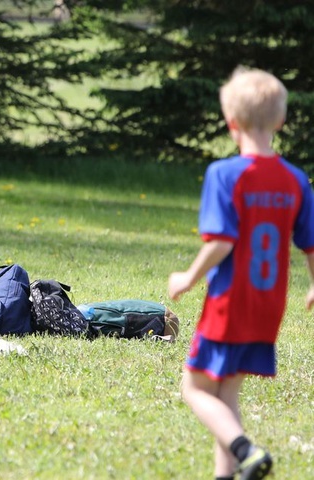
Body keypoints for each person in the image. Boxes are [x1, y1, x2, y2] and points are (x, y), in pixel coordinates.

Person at [168, 67, 314, 480]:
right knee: (226, 394)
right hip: (268, 306)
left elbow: (221, 243)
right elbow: (311, 243)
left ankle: (246, 450)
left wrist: (187, 278)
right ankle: (227, 474)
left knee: (195, 389)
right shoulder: (295, 180)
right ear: (281, 122)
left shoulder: (225, 174)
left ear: (232, 122)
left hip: (230, 303)